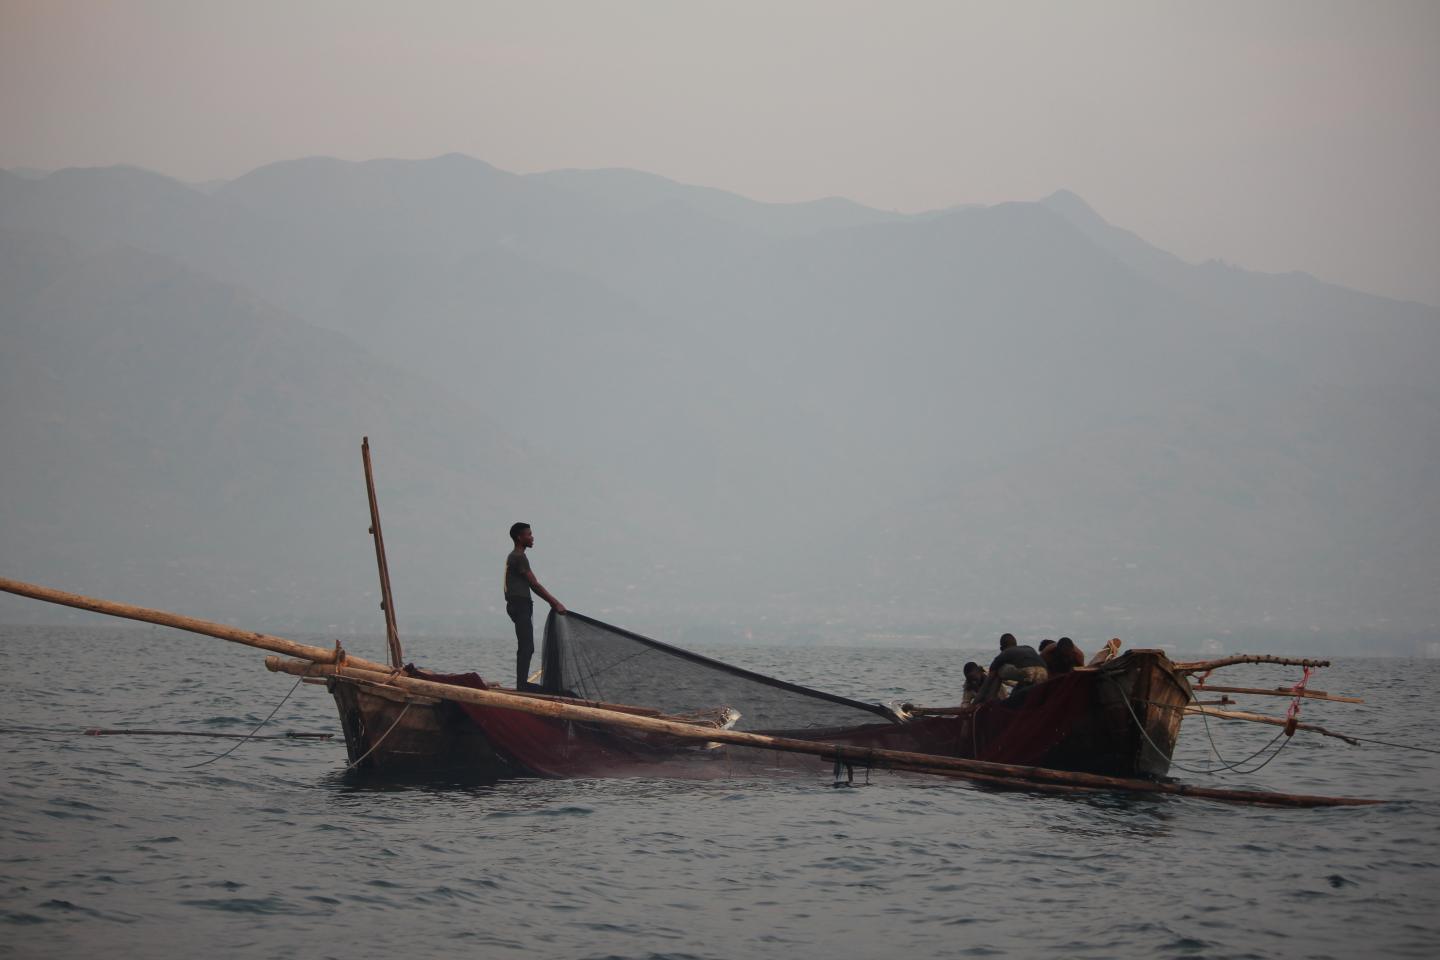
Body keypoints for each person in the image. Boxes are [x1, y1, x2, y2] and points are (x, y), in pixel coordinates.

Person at [504, 522, 565, 689]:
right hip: (520, 605)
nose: (532, 537)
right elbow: (534, 585)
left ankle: (521, 684)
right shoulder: (518, 557)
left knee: (526, 646)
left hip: (518, 605)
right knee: (527, 647)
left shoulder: (515, 556)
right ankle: (521, 685)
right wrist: (555, 603)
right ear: (519, 537)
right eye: (529, 534)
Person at [975, 633, 1048, 703]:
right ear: (1016, 644)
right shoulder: (1028, 647)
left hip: (1029, 673)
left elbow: (988, 681)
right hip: (1045, 674)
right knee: (1019, 687)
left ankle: (990, 700)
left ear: (1001, 648)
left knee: (998, 670)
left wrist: (975, 703)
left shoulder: (1004, 653)